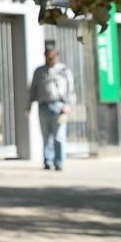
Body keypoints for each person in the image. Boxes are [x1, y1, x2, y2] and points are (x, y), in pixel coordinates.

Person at [27, 43, 74, 171]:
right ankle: (47, 161)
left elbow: (71, 90)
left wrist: (68, 105)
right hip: (43, 106)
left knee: (59, 136)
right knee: (46, 136)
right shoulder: (39, 71)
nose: (51, 59)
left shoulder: (64, 70)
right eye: (49, 57)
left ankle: (59, 162)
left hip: (59, 106)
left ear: (57, 56)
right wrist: (28, 106)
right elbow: (33, 90)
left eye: (53, 57)